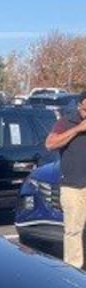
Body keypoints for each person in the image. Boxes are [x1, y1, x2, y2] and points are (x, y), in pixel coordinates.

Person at [45, 95, 86, 268]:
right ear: (79, 106)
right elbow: (50, 144)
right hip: (73, 186)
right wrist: (77, 130)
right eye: (85, 109)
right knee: (73, 230)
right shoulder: (66, 122)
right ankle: (73, 269)